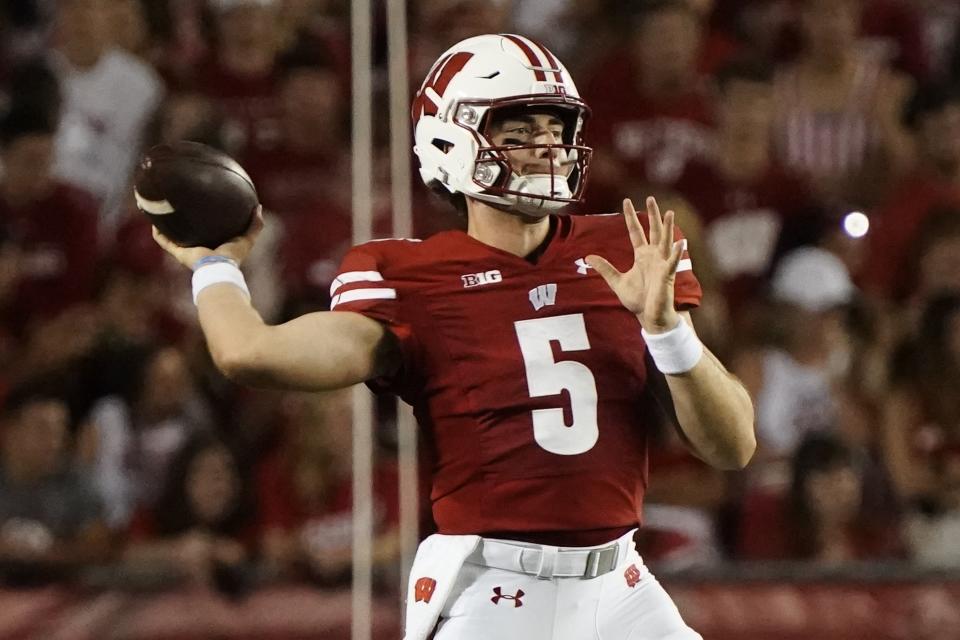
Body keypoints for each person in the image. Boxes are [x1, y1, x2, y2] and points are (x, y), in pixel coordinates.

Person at [153, 34, 755, 640]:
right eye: (519, 131)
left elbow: (733, 447)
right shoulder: (410, 276)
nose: (547, 148)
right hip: (496, 594)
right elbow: (248, 354)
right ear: (450, 142)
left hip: (623, 584)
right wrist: (214, 265)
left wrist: (667, 330)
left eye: (556, 128)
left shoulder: (622, 251)